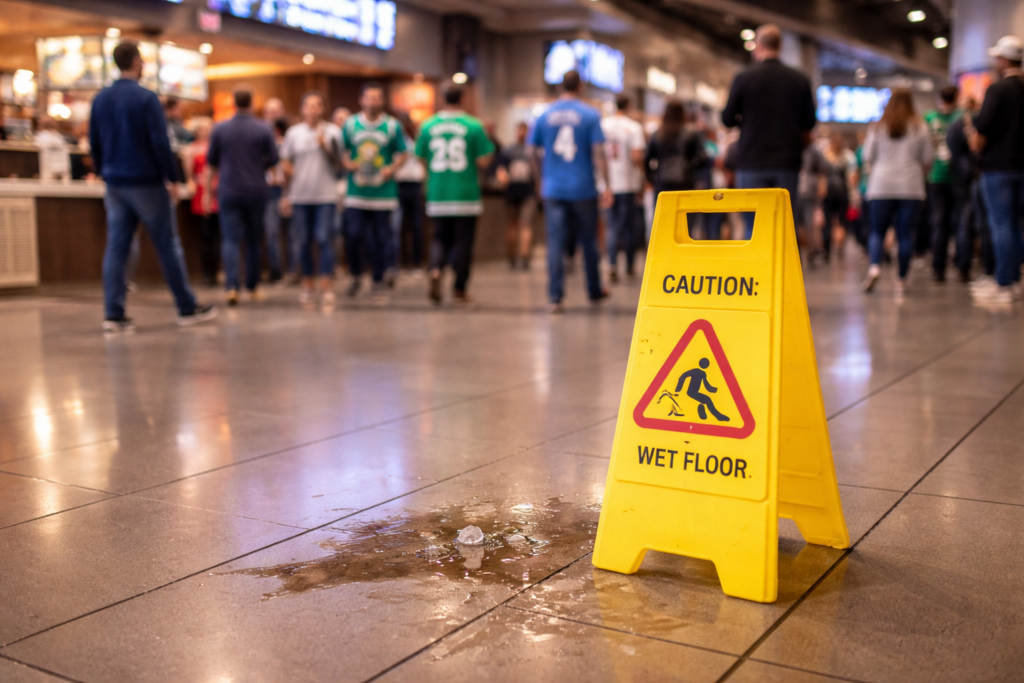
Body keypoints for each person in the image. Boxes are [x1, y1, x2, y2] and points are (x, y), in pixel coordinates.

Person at [89, 42, 216, 332]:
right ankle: (186, 307)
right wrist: (171, 178)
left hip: (115, 183)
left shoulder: (100, 99)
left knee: (117, 247)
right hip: (146, 181)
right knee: (168, 244)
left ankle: (113, 313)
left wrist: (102, 171)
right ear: (136, 62)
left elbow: (94, 142)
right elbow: (160, 142)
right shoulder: (146, 99)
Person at [721, 24, 816, 238]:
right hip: (787, 162)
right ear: (780, 46)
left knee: (752, 228)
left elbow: (727, 118)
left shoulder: (743, 77)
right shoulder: (799, 79)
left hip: (751, 162)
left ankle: (755, 272)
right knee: (785, 226)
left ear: (758, 46)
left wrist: (746, 118)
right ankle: (785, 271)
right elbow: (809, 122)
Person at [529, 70, 610, 312]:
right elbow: (598, 152)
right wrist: (606, 184)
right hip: (583, 187)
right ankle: (594, 290)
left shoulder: (544, 115)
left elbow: (532, 151)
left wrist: (540, 178)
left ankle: (555, 295)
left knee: (555, 242)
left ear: (559, 86)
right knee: (589, 241)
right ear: (581, 86)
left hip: (553, 188)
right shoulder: (590, 115)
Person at [415, 85, 495, 304]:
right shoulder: (473, 125)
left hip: (438, 192)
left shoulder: (428, 125)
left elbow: (420, 157)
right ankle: (459, 289)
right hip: (466, 193)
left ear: (442, 99)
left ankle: (435, 270)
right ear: (463, 98)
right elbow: (484, 159)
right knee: (463, 242)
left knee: (439, 238)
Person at [206, 87, 279, 306]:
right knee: (254, 240)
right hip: (256, 190)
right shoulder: (264, 129)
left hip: (228, 189)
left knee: (230, 239)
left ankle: (231, 286)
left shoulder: (220, 128)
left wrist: (207, 193)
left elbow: (211, 164)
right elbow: (274, 160)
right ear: (252, 102)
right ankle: (252, 285)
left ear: (234, 103)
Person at [969, 35, 1024, 304]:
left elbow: (982, 128)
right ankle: (1014, 278)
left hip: (998, 167)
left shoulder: (998, 89)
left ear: (1003, 60)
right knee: (1016, 225)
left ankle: (1003, 282)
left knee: (1001, 224)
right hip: (1021, 167)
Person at [862, 88, 933, 295]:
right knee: (905, 235)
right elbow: (928, 159)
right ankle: (901, 280)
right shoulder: (920, 127)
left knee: (877, 231)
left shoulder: (877, 127)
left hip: (881, 185)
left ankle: (874, 266)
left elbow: (867, 157)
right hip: (910, 186)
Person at [339, 82, 407, 296]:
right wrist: (347, 163)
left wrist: (392, 168)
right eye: (369, 97)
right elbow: (341, 151)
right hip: (357, 191)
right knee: (354, 234)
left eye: (377, 98)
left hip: (383, 192)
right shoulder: (350, 124)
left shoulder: (393, 125)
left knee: (381, 237)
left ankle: (378, 276)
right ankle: (356, 275)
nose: (373, 102)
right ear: (361, 100)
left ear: (383, 101)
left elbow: (403, 153)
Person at [281, 90, 340, 305]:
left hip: (326, 194)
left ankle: (326, 283)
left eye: (317, 105)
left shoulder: (333, 132)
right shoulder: (294, 133)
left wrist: (325, 147)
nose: (313, 110)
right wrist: (286, 191)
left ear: (323, 109)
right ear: (302, 108)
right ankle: (308, 283)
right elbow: (285, 161)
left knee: (324, 238)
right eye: (309, 105)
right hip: (300, 196)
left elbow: (340, 164)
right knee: (303, 241)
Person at [948, 97, 994, 284]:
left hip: (966, 178)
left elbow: (953, 149)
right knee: (986, 225)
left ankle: (964, 267)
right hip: (981, 174)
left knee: (965, 224)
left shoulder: (957, 124)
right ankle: (989, 268)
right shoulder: (982, 121)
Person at [601, 94, 646, 281]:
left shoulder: (603, 125)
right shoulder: (634, 127)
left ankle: (611, 264)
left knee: (612, 227)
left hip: (607, 184)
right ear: (629, 105)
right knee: (629, 227)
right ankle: (629, 266)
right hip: (628, 184)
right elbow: (637, 156)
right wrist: (644, 177)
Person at [924, 86, 964, 282]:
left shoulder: (929, 118)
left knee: (939, 222)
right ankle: (962, 267)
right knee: (961, 222)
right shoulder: (963, 116)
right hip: (958, 175)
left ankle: (938, 268)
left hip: (936, 175)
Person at [644, 99, 707, 200]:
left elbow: (647, 160)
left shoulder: (657, 135)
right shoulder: (692, 134)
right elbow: (703, 158)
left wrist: (653, 177)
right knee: (686, 214)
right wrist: (692, 169)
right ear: (683, 113)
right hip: (686, 182)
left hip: (662, 184)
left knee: (664, 214)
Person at [182, 118, 219, 287]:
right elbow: (189, 175)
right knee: (205, 235)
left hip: (217, 191)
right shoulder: (191, 149)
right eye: (201, 129)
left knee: (218, 235)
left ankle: (217, 272)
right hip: (201, 192)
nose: (204, 132)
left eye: (207, 128)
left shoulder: (216, 147)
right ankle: (206, 273)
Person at [497, 121, 537, 270]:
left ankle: (520, 256)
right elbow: (501, 171)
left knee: (521, 224)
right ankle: (516, 256)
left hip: (525, 191)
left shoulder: (513, 150)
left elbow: (500, 170)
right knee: (516, 224)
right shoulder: (519, 151)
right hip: (516, 190)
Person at [393, 114, 425, 270]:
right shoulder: (394, 141)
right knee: (397, 226)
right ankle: (397, 262)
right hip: (398, 185)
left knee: (417, 226)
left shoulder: (417, 141)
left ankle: (416, 262)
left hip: (415, 185)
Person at [262, 98, 288, 284]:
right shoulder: (259, 135)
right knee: (271, 233)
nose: (273, 115)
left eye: (276, 111)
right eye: (269, 111)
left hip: (289, 189)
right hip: (268, 191)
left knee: (293, 235)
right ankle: (276, 271)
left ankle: (294, 271)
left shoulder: (291, 135)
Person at [819, 132, 853, 263]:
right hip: (841, 194)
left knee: (828, 221)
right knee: (841, 221)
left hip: (829, 193)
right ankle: (838, 246)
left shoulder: (826, 157)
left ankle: (828, 247)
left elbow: (822, 176)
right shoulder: (846, 158)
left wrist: (821, 189)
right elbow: (850, 178)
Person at [796, 133, 825, 258]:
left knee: (809, 221)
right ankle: (803, 248)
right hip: (796, 189)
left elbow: (822, 171)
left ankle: (812, 249)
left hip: (808, 191)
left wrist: (821, 187)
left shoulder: (814, 152)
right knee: (798, 222)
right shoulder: (796, 148)